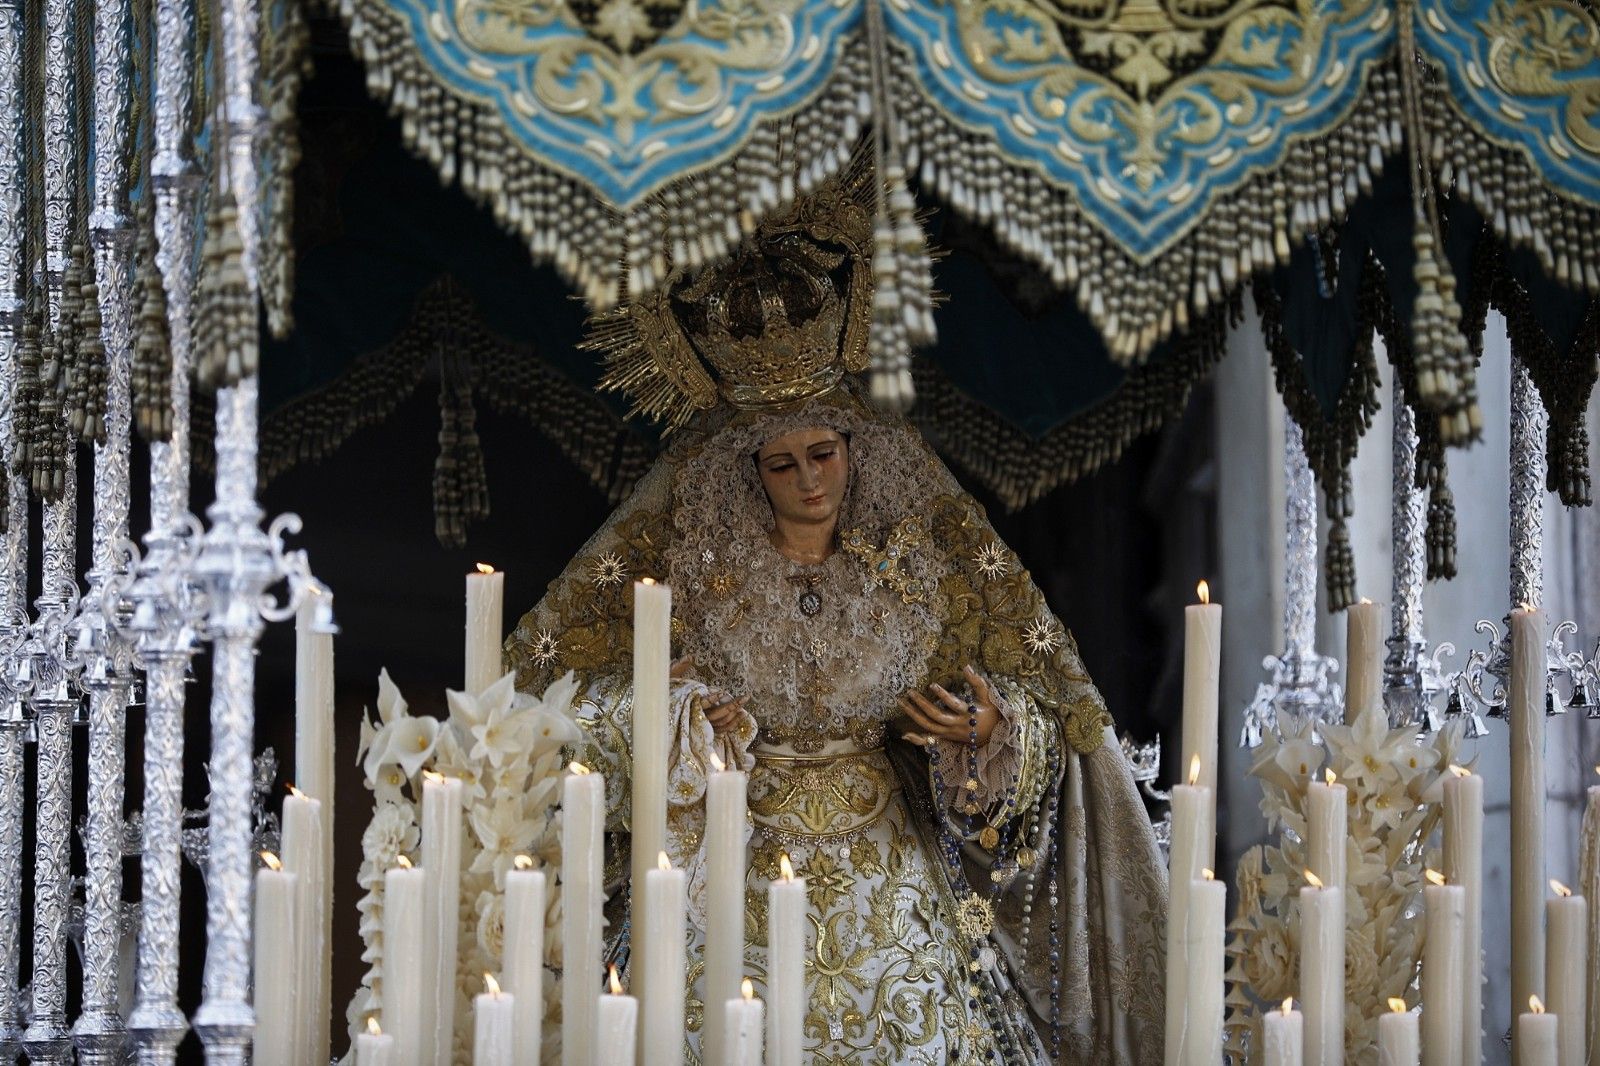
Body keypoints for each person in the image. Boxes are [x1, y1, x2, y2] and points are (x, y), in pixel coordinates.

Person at [506, 165, 1165, 1064]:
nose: (810, 480)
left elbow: (1053, 708)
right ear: (750, 474)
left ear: (856, 449)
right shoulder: (686, 572)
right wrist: (671, 718)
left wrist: (992, 731)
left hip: (893, 884)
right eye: (782, 465)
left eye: (824, 453)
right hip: (730, 872)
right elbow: (544, 707)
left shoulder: (923, 562)